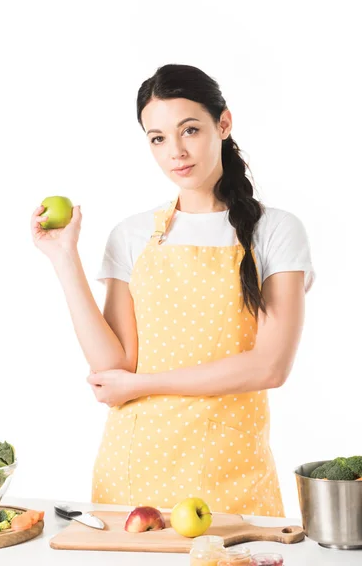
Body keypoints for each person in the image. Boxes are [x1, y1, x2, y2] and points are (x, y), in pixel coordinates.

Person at [31, 64, 315, 517]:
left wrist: (142, 385)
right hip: (131, 474)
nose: (176, 152)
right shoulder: (132, 234)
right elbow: (113, 366)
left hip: (230, 476)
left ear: (223, 124)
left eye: (190, 130)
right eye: (158, 138)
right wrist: (65, 259)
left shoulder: (276, 230)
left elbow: (270, 366)